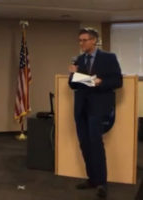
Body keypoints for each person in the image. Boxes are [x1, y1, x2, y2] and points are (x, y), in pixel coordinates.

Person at [68, 27, 123, 198]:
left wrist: (100, 82)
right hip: (81, 108)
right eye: (80, 40)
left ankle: (101, 183)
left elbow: (117, 81)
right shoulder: (78, 59)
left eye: (84, 40)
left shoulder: (109, 58)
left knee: (95, 144)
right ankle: (91, 179)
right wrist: (74, 74)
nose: (81, 43)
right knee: (84, 144)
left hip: (98, 108)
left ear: (94, 40)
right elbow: (72, 84)